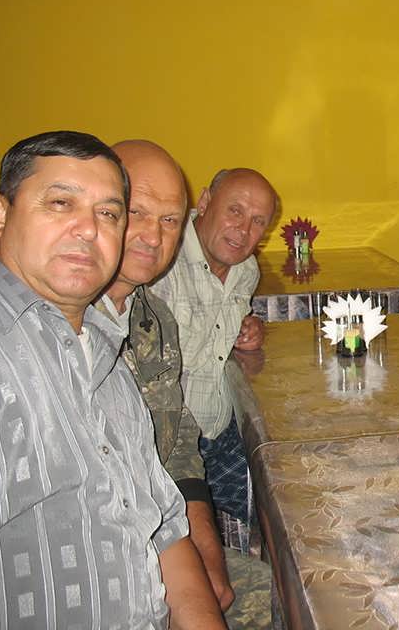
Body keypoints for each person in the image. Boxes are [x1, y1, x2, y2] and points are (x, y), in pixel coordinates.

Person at [0, 131, 224, 629]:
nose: (88, 228)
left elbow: (166, 532)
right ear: (0, 214)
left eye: (108, 213)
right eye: (61, 203)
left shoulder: (105, 354)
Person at [97, 141, 271, 627]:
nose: (152, 236)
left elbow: (172, 439)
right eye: (135, 213)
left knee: (281, 511)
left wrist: (205, 560)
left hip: (196, 444)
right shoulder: (70, 319)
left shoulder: (150, 319)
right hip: (115, 550)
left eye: (167, 220)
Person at [151, 167, 277, 550]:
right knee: (196, 552)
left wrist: (250, 328)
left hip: (220, 435)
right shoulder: (160, 261)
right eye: (234, 211)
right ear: (205, 202)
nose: (244, 230)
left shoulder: (245, 270)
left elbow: (222, 327)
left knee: (287, 506)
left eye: (258, 221)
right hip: (166, 450)